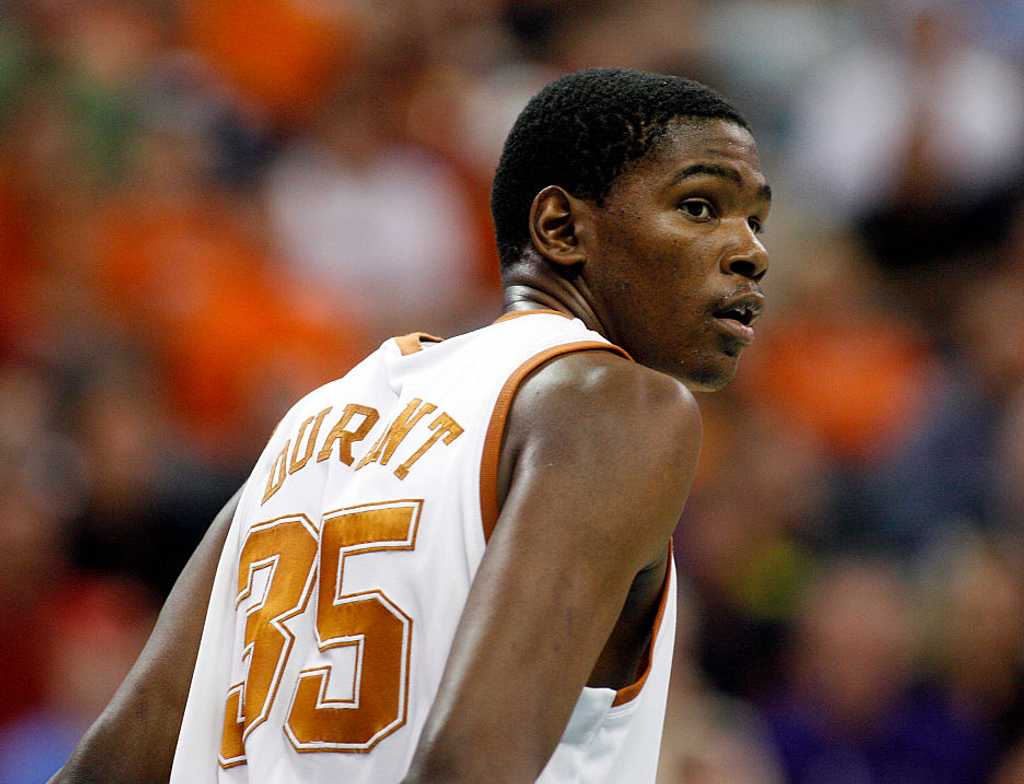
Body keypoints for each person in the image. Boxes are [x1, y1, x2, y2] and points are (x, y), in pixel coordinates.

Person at [51, 67, 771, 783]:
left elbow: (118, 754)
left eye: (756, 220)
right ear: (560, 227)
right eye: (701, 207)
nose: (751, 251)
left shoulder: (319, 417)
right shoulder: (614, 405)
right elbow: (469, 766)